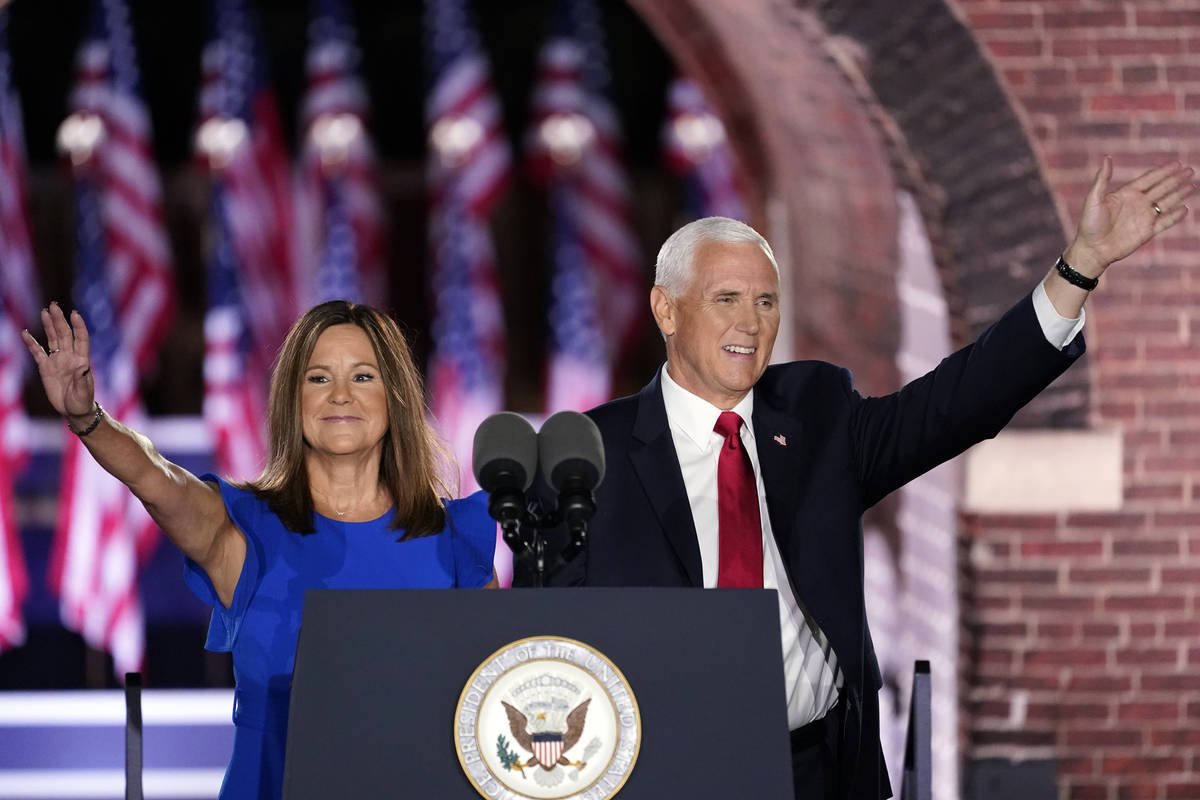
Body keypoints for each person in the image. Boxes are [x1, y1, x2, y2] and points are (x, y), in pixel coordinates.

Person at [547, 158, 1195, 799]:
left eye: (766, 301)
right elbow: (552, 652)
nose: (750, 323)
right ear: (666, 310)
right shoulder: (589, 455)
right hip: (663, 776)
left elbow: (955, 402)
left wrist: (1078, 268)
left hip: (818, 771)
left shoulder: (817, 416)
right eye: (726, 300)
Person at [22, 300, 498, 800]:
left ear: (394, 396)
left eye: (362, 377)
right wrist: (88, 418)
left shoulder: (455, 539)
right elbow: (158, 478)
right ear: (293, 400)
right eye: (318, 379)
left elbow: (496, 697)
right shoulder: (248, 530)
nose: (340, 395)